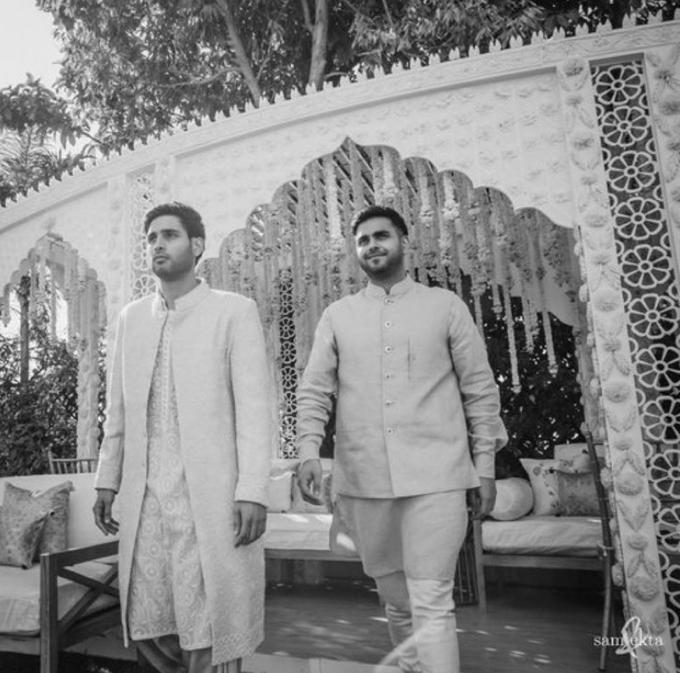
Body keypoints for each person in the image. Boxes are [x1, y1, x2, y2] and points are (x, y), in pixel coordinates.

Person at [295, 205, 507, 673]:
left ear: (403, 241)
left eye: (381, 236)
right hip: (365, 477)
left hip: (438, 476)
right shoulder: (338, 316)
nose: (372, 245)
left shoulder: (445, 306)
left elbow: (479, 389)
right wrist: (308, 449)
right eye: (363, 240)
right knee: (396, 600)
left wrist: (485, 467)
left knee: (431, 600)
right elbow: (314, 390)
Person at [93, 201, 273, 673]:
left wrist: (253, 490)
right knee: (151, 619)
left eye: (169, 235)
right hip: (147, 497)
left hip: (208, 496)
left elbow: (255, 411)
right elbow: (118, 410)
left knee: (209, 618)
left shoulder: (233, 312)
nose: (157, 244)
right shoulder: (132, 318)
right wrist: (107, 479)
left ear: (197, 246)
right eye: (151, 238)